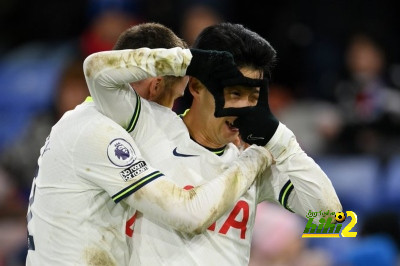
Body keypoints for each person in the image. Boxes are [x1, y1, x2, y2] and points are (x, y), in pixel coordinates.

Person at [86, 22, 342, 265]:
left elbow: (329, 219)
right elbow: (96, 72)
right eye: (235, 94)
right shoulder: (148, 126)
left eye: (253, 97)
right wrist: (186, 61)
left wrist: (281, 141)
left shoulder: (256, 161)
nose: (244, 109)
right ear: (196, 86)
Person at [25, 23, 273, 265]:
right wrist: (255, 159)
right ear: (155, 87)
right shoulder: (100, 133)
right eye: (176, 99)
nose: (173, 113)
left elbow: (313, 207)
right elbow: (189, 214)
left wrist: (313, 231)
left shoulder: (78, 121)